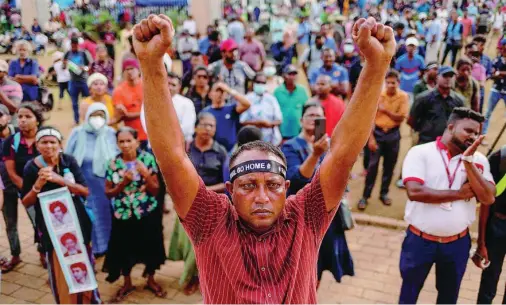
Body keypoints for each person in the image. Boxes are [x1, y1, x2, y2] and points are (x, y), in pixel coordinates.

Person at [134, 14, 394, 302]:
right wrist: (151, 64)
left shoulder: (306, 216)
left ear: (286, 188)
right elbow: (172, 158)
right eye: (247, 185)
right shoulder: (210, 220)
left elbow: (343, 154)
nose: (261, 197)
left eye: (272, 185)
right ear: (230, 191)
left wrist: (377, 65)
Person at [399, 108, 495, 303]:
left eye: (476, 133)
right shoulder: (420, 152)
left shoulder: (479, 161)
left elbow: (488, 198)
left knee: (449, 298)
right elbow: (415, 192)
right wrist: (459, 194)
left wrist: (468, 162)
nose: (473, 137)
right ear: (450, 127)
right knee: (408, 294)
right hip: (419, 241)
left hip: (457, 244)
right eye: (468, 130)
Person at [21, 126, 100, 304]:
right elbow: (26, 201)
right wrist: (38, 184)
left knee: (82, 263)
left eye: (52, 142)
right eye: (44, 142)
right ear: (37, 145)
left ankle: (89, 300)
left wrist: (60, 180)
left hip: (76, 223)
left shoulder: (68, 161)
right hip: (51, 228)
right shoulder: (31, 167)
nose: (49, 146)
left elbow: (85, 190)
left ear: (60, 144)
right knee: (59, 268)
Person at [281, 102, 354, 287]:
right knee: (298, 267)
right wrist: (314, 155)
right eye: (310, 115)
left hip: (325, 216)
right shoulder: (290, 147)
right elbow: (295, 180)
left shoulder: (330, 147)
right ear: (301, 120)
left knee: (318, 265)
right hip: (300, 217)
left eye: (318, 116)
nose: (314, 119)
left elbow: (339, 177)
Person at [103, 127, 166, 302]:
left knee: (151, 246)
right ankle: (127, 282)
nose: (125, 145)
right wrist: (124, 182)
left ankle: (151, 280)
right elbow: (108, 193)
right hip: (123, 214)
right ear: (117, 144)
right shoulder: (113, 164)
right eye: (121, 141)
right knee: (123, 248)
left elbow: (155, 190)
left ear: (137, 142)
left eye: (129, 141)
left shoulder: (147, 159)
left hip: (146, 212)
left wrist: (146, 174)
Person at [169, 112, 227, 295]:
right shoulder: (186, 148)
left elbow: (227, 182)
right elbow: (176, 175)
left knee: (205, 244)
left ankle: (200, 278)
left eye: (212, 126)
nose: (208, 129)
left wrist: (204, 191)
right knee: (189, 243)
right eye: (205, 125)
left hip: (211, 204)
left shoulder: (221, 152)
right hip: (187, 204)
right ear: (195, 127)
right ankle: (193, 277)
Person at [66, 103, 118, 256]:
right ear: (88, 116)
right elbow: (68, 155)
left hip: (103, 183)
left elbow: (116, 154)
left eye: (101, 115)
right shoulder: (78, 132)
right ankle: (89, 246)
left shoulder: (110, 133)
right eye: (94, 115)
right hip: (83, 182)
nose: (97, 119)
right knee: (86, 214)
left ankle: (104, 246)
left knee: (104, 214)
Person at [2, 103, 44, 272]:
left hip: (37, 190)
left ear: (37, 120)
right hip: (11, 187)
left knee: (38, 222)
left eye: (28, 117)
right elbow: (11, 172)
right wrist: (28, 191)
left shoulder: (45, 139)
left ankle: (43, 253)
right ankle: (15, 255)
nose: (23, 120)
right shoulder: (11, 142)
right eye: (20, 117)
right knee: (10, 222)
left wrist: (35, 191)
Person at [358, 70, 409, 210]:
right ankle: (365, 196)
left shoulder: (403, 97)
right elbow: (369, 118)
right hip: (378, 133)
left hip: (393, 134)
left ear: (398, 83)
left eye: (393, 82)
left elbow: (400, 118)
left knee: (389, 166)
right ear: (385, 83)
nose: (391, 85)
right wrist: (371, 139)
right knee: (372, 167)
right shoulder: (378, 95)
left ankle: (384, 193)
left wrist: (385, 110)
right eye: (388, 82)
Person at [475, 145, 506, 304]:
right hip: (498, 226)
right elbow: (486, 202)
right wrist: (482, 241)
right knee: (490, 278)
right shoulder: (500, 158)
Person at [408, 66, 465, 145]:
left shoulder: (459, 100)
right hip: (426, 142)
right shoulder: (423, 98)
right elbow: (412, 120)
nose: (448, 79)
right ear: (437, 77)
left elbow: (461, 121)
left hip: (448, 143)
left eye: (451, 76)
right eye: (445, 76)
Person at [201, 81, 251, 151]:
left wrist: (229, 90)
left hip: (230, 151)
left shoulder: (232, 109)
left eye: (223, 91)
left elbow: (247, 104)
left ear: (226, 95)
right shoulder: (205, 112)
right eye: (217, 91)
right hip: (212, 151)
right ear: (210, 94)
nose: (220, 94)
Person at [240, 73, 283, 146]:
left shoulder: (271, 99)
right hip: (251, 140)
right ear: (253, 83)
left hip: (271, 141)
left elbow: (279, 120)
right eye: (258, 82)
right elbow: (242, 121)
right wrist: (258, 123)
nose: (260, 84)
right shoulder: (247, 99)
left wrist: (269, 124)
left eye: (263, 83)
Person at [113, 59, 147, 148]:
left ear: (139, 70)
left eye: (132, 68)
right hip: (131, 137)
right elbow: (122, 116)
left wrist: (130, 114)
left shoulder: (147, 86)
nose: (129, 72)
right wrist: (143, 113)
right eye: (126, 69)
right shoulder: (119, 91)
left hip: (150, 134)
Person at [274, 65, 309, 140]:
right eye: (289, 74)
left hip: (298, 131)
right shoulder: (277, 92)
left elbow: (306, 109)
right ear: (284, 76)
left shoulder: (302, 90)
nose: (292, 77)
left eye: (294, 74)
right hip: (281, 132)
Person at [64, 37, 92, 125]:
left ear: (78, 45)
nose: (74, 47)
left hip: (83, 80)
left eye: (75, 46)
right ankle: (76, 120)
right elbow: (63, 66)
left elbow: (90, 65)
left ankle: (89, 118)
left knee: (88, 100)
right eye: (72, 46)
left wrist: (84, 68)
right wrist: (64, 64)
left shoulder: (83, 53)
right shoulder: (68, 53)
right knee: (74, 103)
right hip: (73, 81)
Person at [483, 39, 506, 136]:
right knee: (488, 113)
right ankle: (483, 134)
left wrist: (499, 73)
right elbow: (491, 74)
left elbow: (495, 73)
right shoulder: (497, 59)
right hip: (496, 89)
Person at [166, 72, 196, 145]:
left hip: (181, 144)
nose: (169, 87)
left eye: (173, 85)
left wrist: (167, 134)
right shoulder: (152, 102)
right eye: (167, 84)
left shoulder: (187, 103)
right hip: (157, 143)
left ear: (179, 87)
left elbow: (187, 127)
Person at [395, 37, 425, 104]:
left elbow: (423, 71)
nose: (411, 48)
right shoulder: (400, 60)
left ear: (416, 48)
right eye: (409, 46)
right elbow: (396, 72)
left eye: (413, 46)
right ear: (406, 47)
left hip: (414, 88)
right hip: (402, 87)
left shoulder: (420, 59)